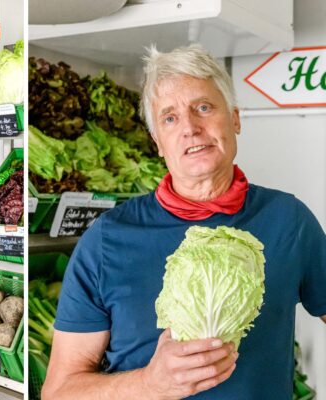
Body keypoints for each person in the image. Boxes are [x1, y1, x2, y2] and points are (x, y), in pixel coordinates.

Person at [41, 44, 326, 399]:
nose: (190, 128)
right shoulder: (106, 240)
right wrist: (149, 384)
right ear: (157, 141)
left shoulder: (289, 220)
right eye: (170, 118)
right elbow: (59, 392)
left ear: (234, 119)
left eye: (203, 108)